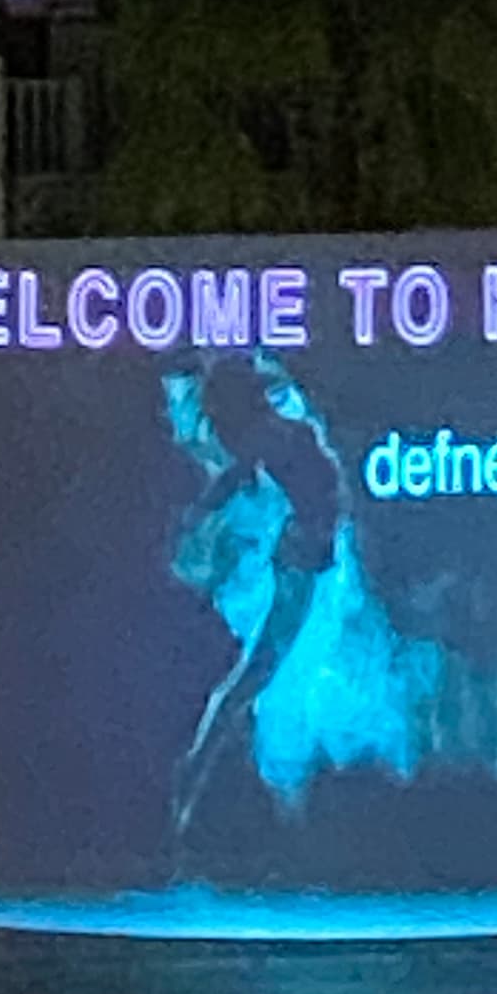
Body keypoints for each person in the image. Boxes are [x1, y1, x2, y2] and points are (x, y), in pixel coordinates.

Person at [170, 356, 341, 836]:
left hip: (304, 555)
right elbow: (234, 481)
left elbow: (238, 480)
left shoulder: (283, 436)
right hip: (297, 558)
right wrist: (198, 515)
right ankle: (198, 780)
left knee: (258, 677)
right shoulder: (275, 439)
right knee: (253, 677)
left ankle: (211, 778)